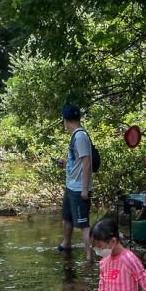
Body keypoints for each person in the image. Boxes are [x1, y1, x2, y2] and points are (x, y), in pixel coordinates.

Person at [57, 104, 94, 260]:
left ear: (65, 121)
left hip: (79, 188)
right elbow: (79, 161)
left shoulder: (80, 137)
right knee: (67, 217)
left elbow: (87, 163)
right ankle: (66, 243)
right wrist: (66, 165)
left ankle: (89, 256)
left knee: (83, 224)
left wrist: (84, 189)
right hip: (71, 185)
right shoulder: (77, 136)